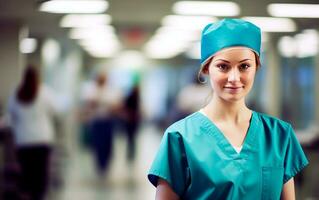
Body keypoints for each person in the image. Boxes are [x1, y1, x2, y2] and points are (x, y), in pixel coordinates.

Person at [147, 18, 309, 200]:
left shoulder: (279, 135)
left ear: (256, 67)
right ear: (207, 69)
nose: (234, 77)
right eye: (223, 66)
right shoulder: (180, 137)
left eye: (244, 66)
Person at [7, 65, 58, 200]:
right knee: (41, 178)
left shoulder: (16, 93)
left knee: (27, 176)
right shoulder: (45, 93)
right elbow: (54, 111)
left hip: (23, 142)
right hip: (42, 141)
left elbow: (11, 116)